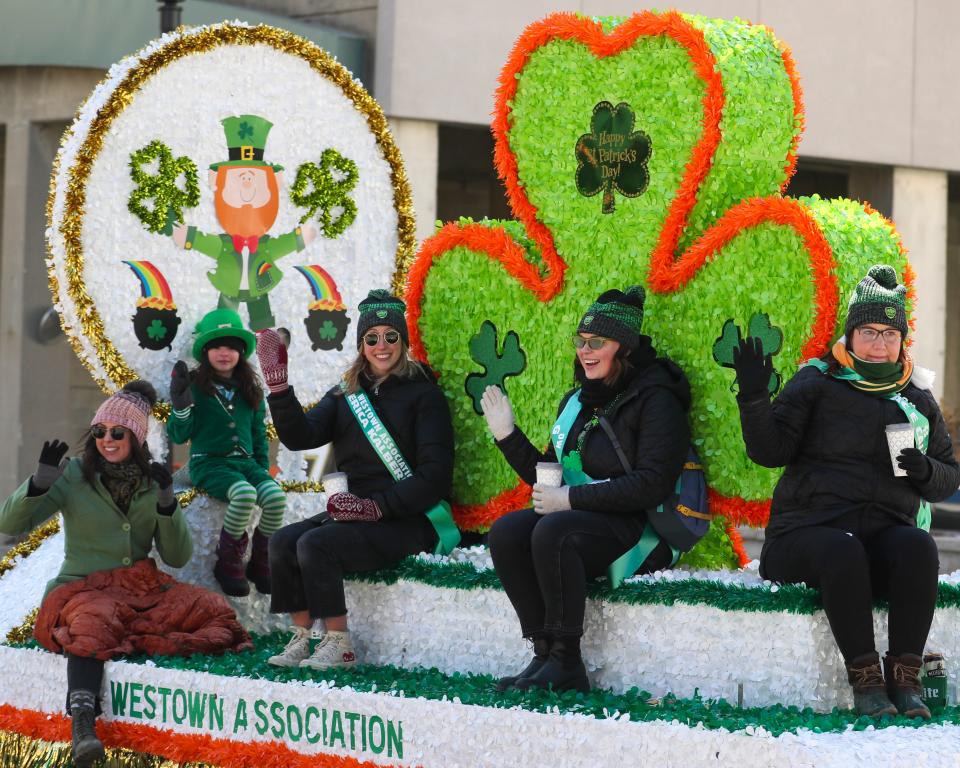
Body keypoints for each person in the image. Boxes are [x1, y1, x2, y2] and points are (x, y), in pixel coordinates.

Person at [731, 264, 960, 719]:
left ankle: (905, 680)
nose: (879, 345)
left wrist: (923, 470)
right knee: (842, 549)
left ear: (902, 340)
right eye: (869, 332)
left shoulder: (916, 397)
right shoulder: (817, 381)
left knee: (917, 546)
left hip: (877, 541)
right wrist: (754, 398)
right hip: (806, 536)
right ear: (851, 334)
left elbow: (949, 476)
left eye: (889, 334)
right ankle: (866, 681)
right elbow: (770, 451)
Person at [0, 381, 251, 768]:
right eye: (100, 432)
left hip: (139, 587)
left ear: (134, 437)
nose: (107, 440)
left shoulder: (152, 481)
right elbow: (9, 521)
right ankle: (83, 726)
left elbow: (177, 555)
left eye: (118, 433)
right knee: (93, 621)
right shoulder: (73, 475)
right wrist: (39, 482)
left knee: (209, 607)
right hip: (81, 588)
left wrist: (167, 505)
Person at [481, 286, 691, 693]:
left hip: (639, 529)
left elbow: (651, 485)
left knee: (552, 530)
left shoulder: (656, 400)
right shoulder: (575, 401)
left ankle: (566, 662)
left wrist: (570, 500)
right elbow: (550, 479)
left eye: (598, 342)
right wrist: (506, 435)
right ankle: (543, 652)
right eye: (581, 340)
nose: (585, 350)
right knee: (507, 532)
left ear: (624, 348)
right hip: (586, 518)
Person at [257, 289, 458, 670]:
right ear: (361, 344)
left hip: (408, 517)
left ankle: (340, 644)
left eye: (390, 336)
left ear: (403, 341)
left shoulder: (425, 396)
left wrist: (376, 507)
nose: (381, 346)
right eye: (372, 338)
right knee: (283, 541)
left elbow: (434, 478)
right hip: (355, 513)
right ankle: (305, 636)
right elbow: (302, 436)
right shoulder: (345, 393)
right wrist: (279, 389)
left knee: (317, 543)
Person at [167, 308, 287, 597]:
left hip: (245, 464)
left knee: (275, 497)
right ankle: (228, 562)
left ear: (241, 352)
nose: (225, 353)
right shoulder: (195, 385)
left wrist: (262, 470)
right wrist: (181, 405)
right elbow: (178, 435)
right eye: (217, 346)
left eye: (232, 347)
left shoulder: (250, 388)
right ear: (205, 350)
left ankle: (261, 562)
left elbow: (258, 435)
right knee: (244, 495)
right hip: (209, 464)